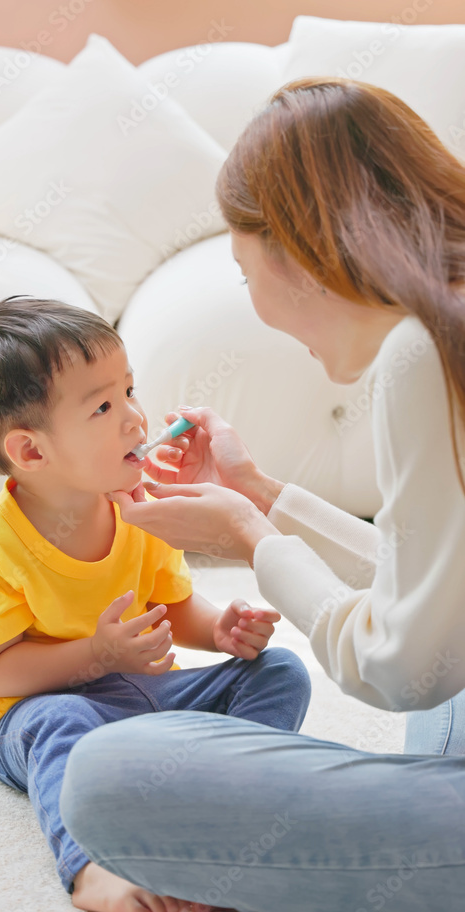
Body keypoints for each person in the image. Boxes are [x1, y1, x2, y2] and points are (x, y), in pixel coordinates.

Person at [59, 76, 465, 911]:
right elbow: (434, 602)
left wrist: (247, 533)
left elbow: (401, 667)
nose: (256, 307)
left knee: (105, 778)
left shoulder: (419, 355)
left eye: (245, 276)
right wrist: (260, 493)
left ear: (299, 253)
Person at [0, 296, 312, 912]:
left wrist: (220, 630)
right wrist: (96, 654)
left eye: (130, 390)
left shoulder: (137, 508)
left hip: (144, 702)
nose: (137, 420)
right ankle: (90, 872)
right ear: (31, 452)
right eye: (104, 406)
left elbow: (173, 609)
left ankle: (216, 802)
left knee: (281, 672)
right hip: (35, 716)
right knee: (59, 721)